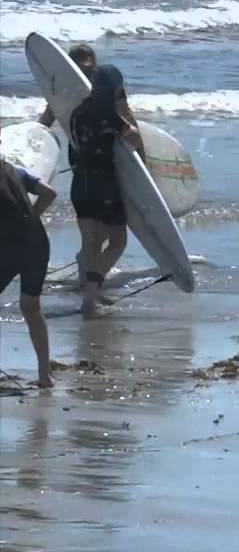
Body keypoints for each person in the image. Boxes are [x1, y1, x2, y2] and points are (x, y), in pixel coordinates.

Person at [68, 64, 144, 314]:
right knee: (117, 240)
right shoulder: (110, 114)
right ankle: (92, 291)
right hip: (104, 184)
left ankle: (91, 294)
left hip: (80, 183)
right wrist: (124, 111)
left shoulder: (77, 112)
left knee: (90, 242)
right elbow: (133, 138)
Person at [0, 122, 57, 388]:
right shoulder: (15, 170)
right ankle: (45, 376)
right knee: (31, 307)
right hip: (36, 241)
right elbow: (49, 193)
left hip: (9, 247)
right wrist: (32, 218)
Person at [37, 43, 94, 128]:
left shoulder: (102, 82)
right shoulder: (64, 89)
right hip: (79, 135)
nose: (86, 68)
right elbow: (47, 118)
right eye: (81, 64)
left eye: (89, 65)